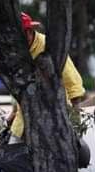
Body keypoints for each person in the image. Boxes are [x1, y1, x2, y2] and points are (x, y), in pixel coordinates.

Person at [7, 13, 85, 143]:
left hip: (54, 114)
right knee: (13, 155)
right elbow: (17, 86)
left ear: (30, 32)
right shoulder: (15, 51)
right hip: (24, 117)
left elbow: (72, 81)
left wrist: (75, 120)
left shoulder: (48, 46)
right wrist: (14, 111)